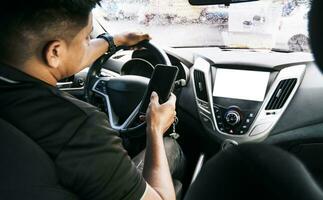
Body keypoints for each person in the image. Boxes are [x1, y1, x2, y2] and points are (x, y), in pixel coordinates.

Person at [0, 1, 184, 200]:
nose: (90, 44)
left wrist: (115, 40)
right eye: (87, 38)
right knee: (170, 148)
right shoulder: (78, 126)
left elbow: (71, 55)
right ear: (54, 52)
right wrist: (154, 128)